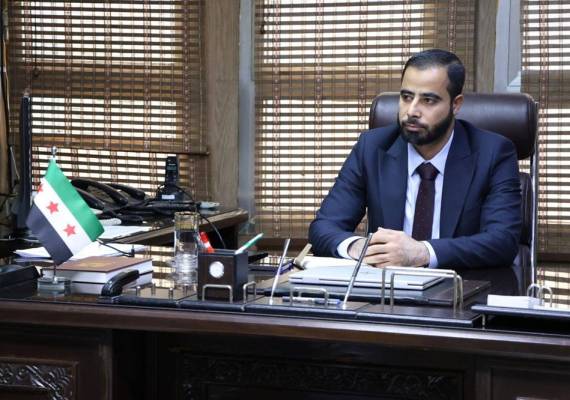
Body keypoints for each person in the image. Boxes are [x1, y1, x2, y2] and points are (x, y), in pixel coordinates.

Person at [308, 49, 521, 279]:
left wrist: (422, 252)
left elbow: (502, 241)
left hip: (460, 288)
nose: (411, 111)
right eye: (406, 97)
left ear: (456, 104)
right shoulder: (372, 148)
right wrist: (360, 248)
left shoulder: (493, 153)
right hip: (386, 289)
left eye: (428, 100)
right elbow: (323, 227)